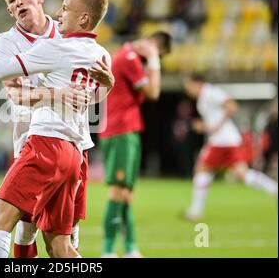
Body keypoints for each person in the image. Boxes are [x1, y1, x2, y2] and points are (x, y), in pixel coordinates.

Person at [0, 0, 111, 258]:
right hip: (40, 142)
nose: (17, 3)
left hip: (59, 144)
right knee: (43, 237)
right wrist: (56, 93)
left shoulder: (61, 38)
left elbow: (91, 95)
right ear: (10, 11)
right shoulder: (7, 42)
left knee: (17, 225)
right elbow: (16, 95)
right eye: (11, 1)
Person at [98, 31, 172, 258]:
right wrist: (154, 60)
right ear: (155, 46)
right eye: (160, 54)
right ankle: (109, 251)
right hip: (120, 130)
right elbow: (153, 92)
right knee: (118, 191)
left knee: (126, 194)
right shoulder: (129, 58)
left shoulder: (126, 55)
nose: (155, 60)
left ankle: (130, 248)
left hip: (126, 129)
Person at [183, 75, 278, 221]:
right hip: (227, 139)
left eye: (189, 86)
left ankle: (196, 210)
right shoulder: (203, 97)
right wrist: (206, 127)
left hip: (221, 140)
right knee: (242, 173)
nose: (188, 90)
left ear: (197, 83)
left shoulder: (211, 92)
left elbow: (232, 106)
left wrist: (215, 127)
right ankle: (274, 189)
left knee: (201, 169)